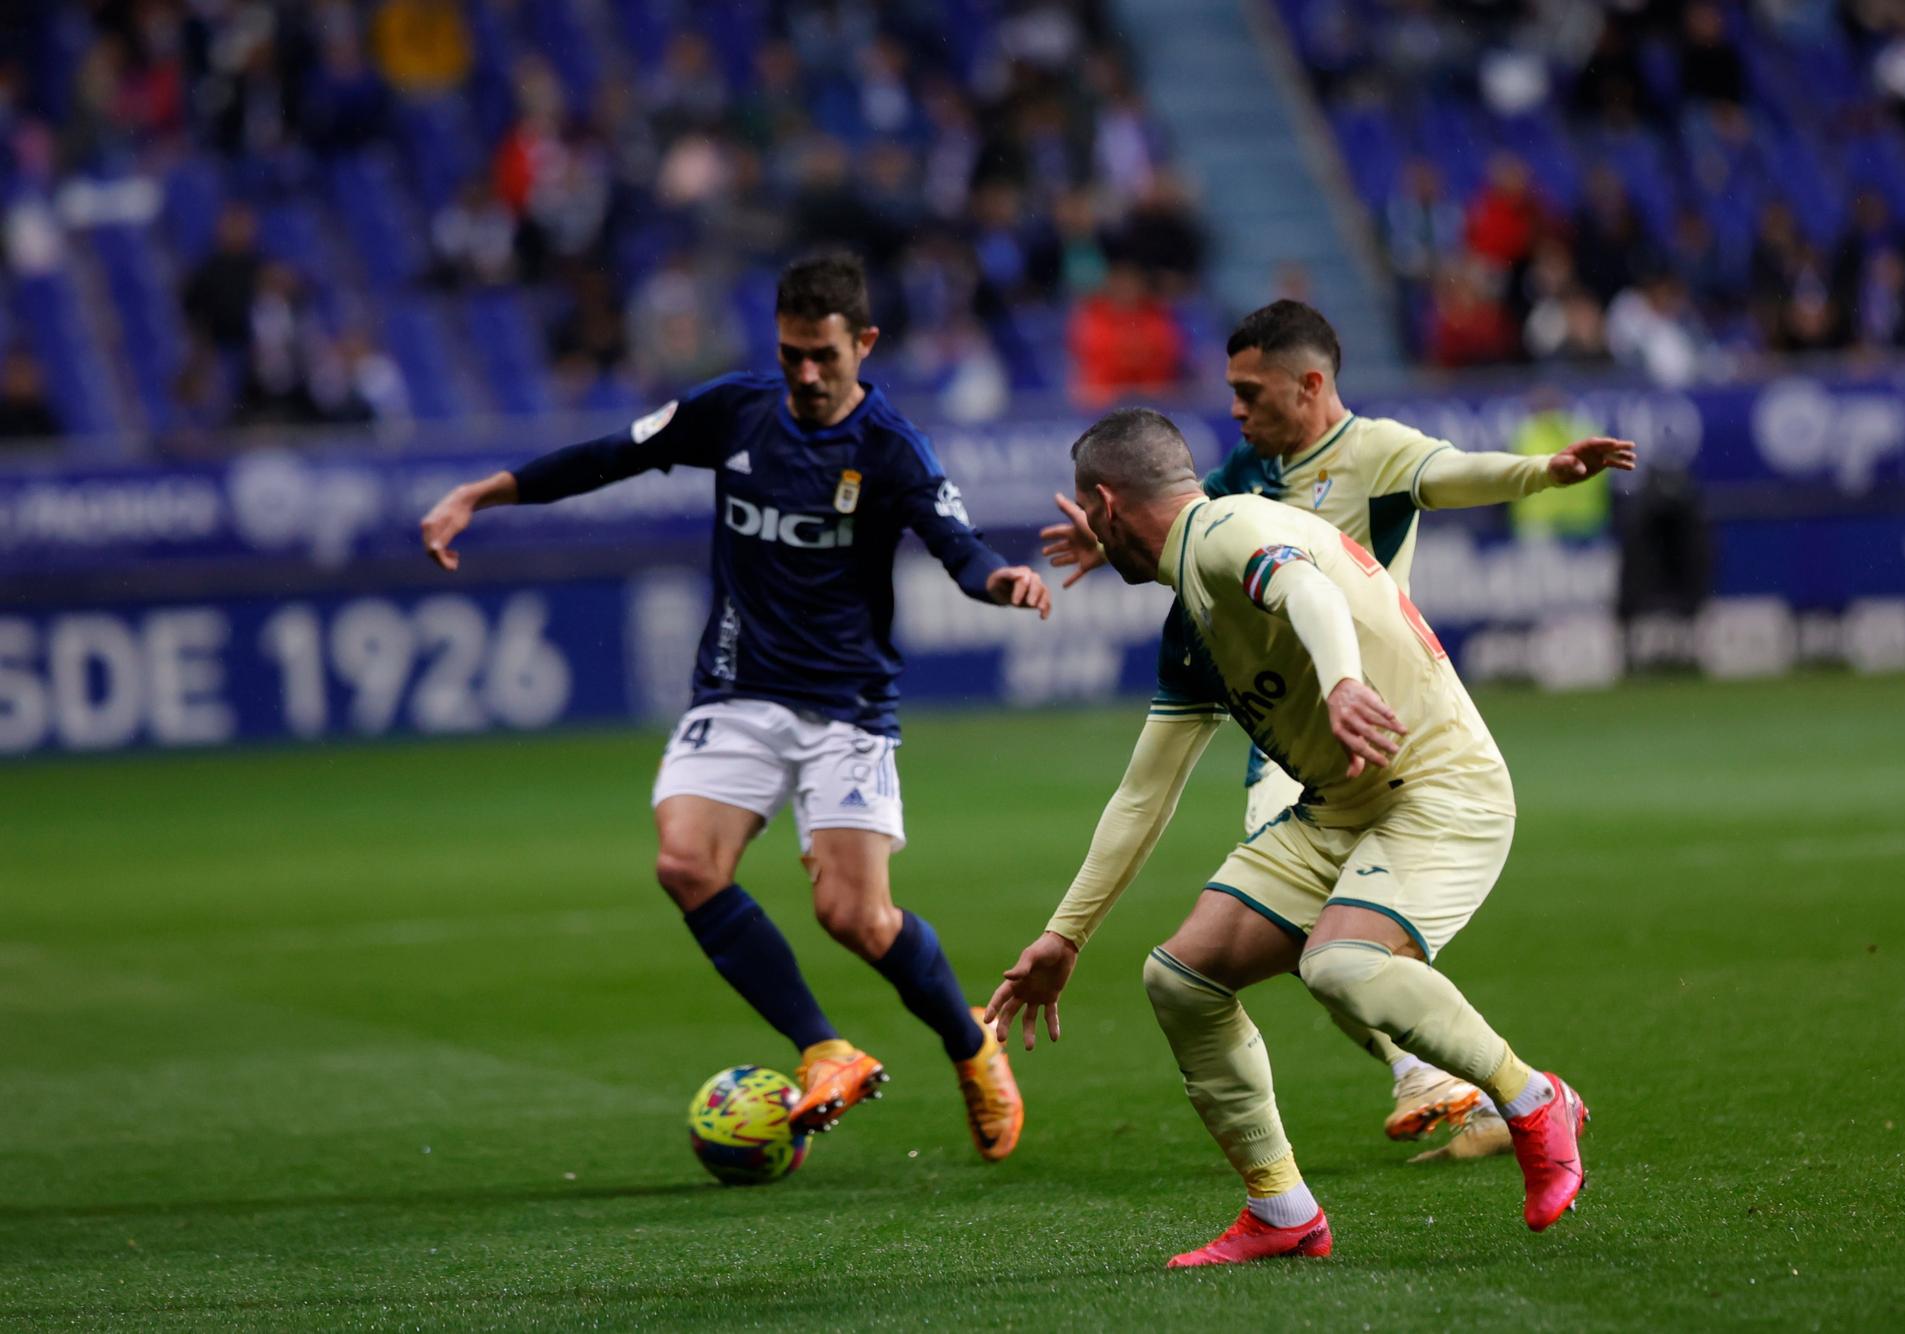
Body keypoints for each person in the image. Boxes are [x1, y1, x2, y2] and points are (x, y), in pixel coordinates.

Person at [418, 253, 1046, 1160]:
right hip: (739, 689)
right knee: (685, 865)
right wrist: (487, 492)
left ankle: (969, 1042)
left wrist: (1004, 581)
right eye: (791, 353)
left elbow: (959, 546)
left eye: (823, 355)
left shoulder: (891, 449)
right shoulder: (733, 410)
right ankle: (827, 1048)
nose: (805, 373)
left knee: (855, 918)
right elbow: (609, 457)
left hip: (847, 706)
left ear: (863, 344)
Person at [986, 408, 1590, 1267]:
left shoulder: (1228, 530)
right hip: (1343, 806)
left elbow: (1306, 589)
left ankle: (1534, 1100)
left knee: (1341, 966)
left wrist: (1342, 685)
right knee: (1182, 979)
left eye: (1086, 513)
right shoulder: (1190, 611)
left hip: (1439, 790)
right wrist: (1065, 934)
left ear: (1106, 506)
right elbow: (1142, 796)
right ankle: (1282, 1209)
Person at [1038, 300, 1632, 1161]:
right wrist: (1122, 536)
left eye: (1251, 391)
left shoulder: (1372, 450)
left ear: (1310, 384)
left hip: (1374, 706)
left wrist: (1541, 473)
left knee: (1333, 945)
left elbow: (1454, 476)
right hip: (1295, 711)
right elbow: (1181, 529)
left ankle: (1457, 1081)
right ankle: (1425, 1084)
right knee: (1268, 950)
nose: (1236, 412)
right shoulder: (1247, 470)